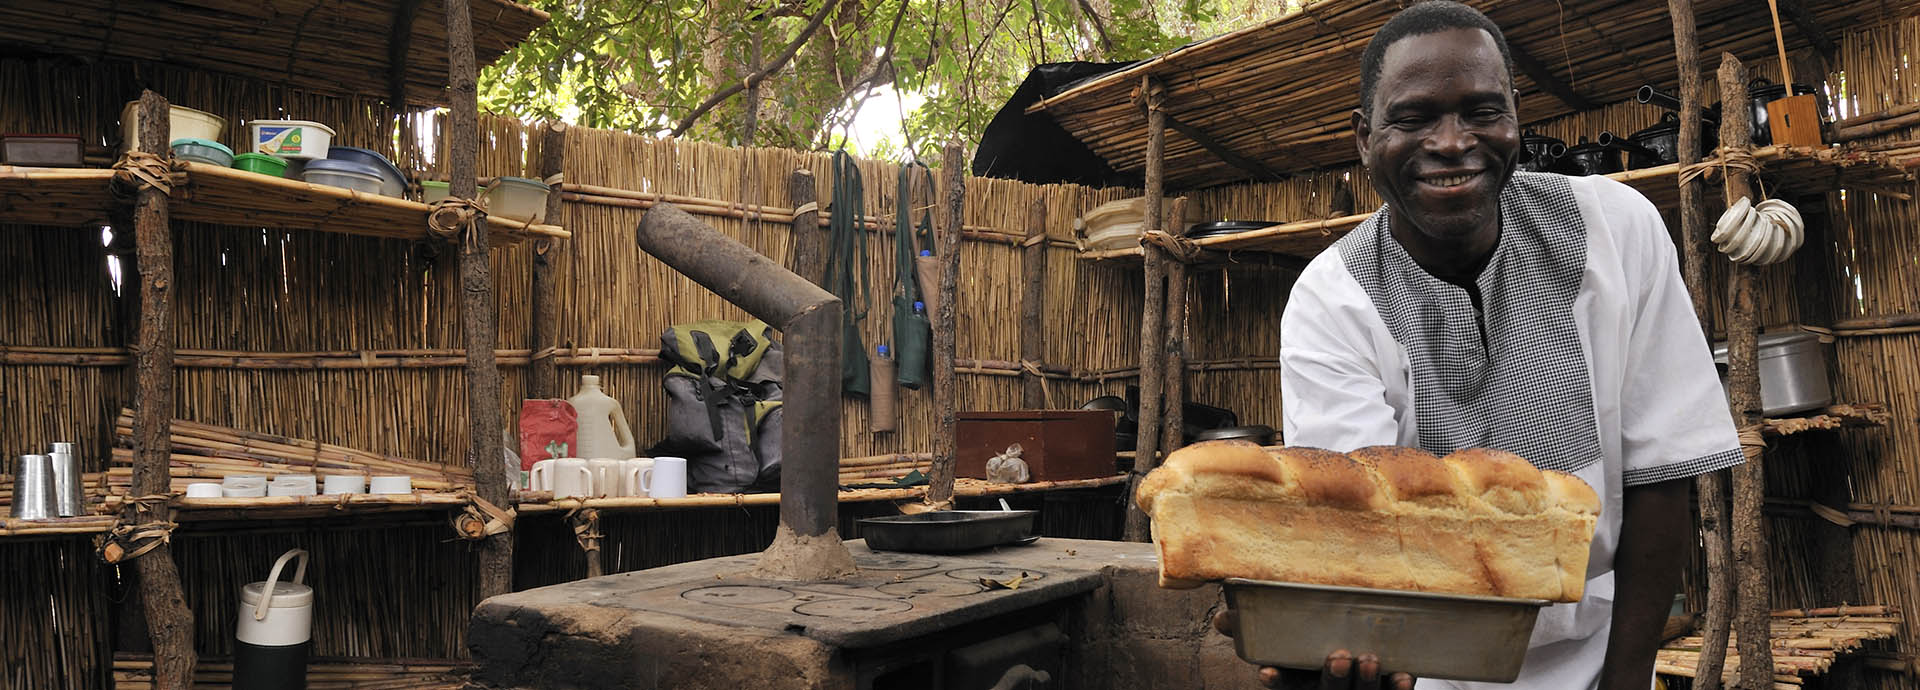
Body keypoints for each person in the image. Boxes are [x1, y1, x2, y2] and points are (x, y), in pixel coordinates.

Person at [1252, 2, 1745, 689]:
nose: (1453, 142)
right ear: (1364, 137)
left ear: (1516, 115)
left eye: (1482, 111)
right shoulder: (1332, 299)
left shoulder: (1616, 230)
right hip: (1422, 665)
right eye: (1415, 117)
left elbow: (1659, 477)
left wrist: (1625, 678)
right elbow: (1363, 524)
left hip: (1601, 650)